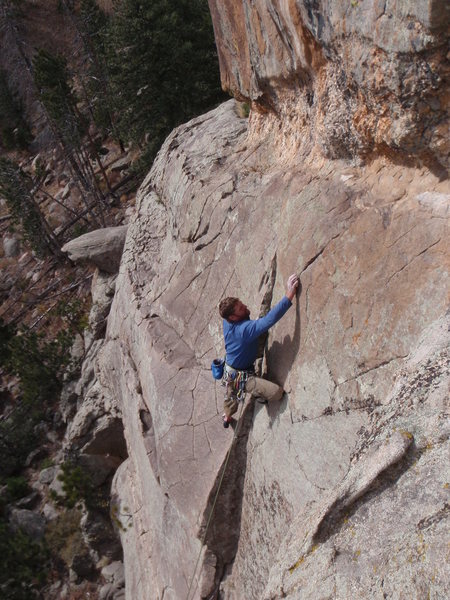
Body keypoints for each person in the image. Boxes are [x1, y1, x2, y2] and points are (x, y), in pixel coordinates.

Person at [218, 273, 299, 428]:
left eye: (242, 304)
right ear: (233, 317)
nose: (246, 307)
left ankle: (228, 412)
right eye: (241, 308)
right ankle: (228, 416)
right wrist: (289, 294)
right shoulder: (244, 331)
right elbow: (269, 320)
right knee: (276, 393)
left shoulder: (228, 321)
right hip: (237, 376)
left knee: (231, 395)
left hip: (239, 362)